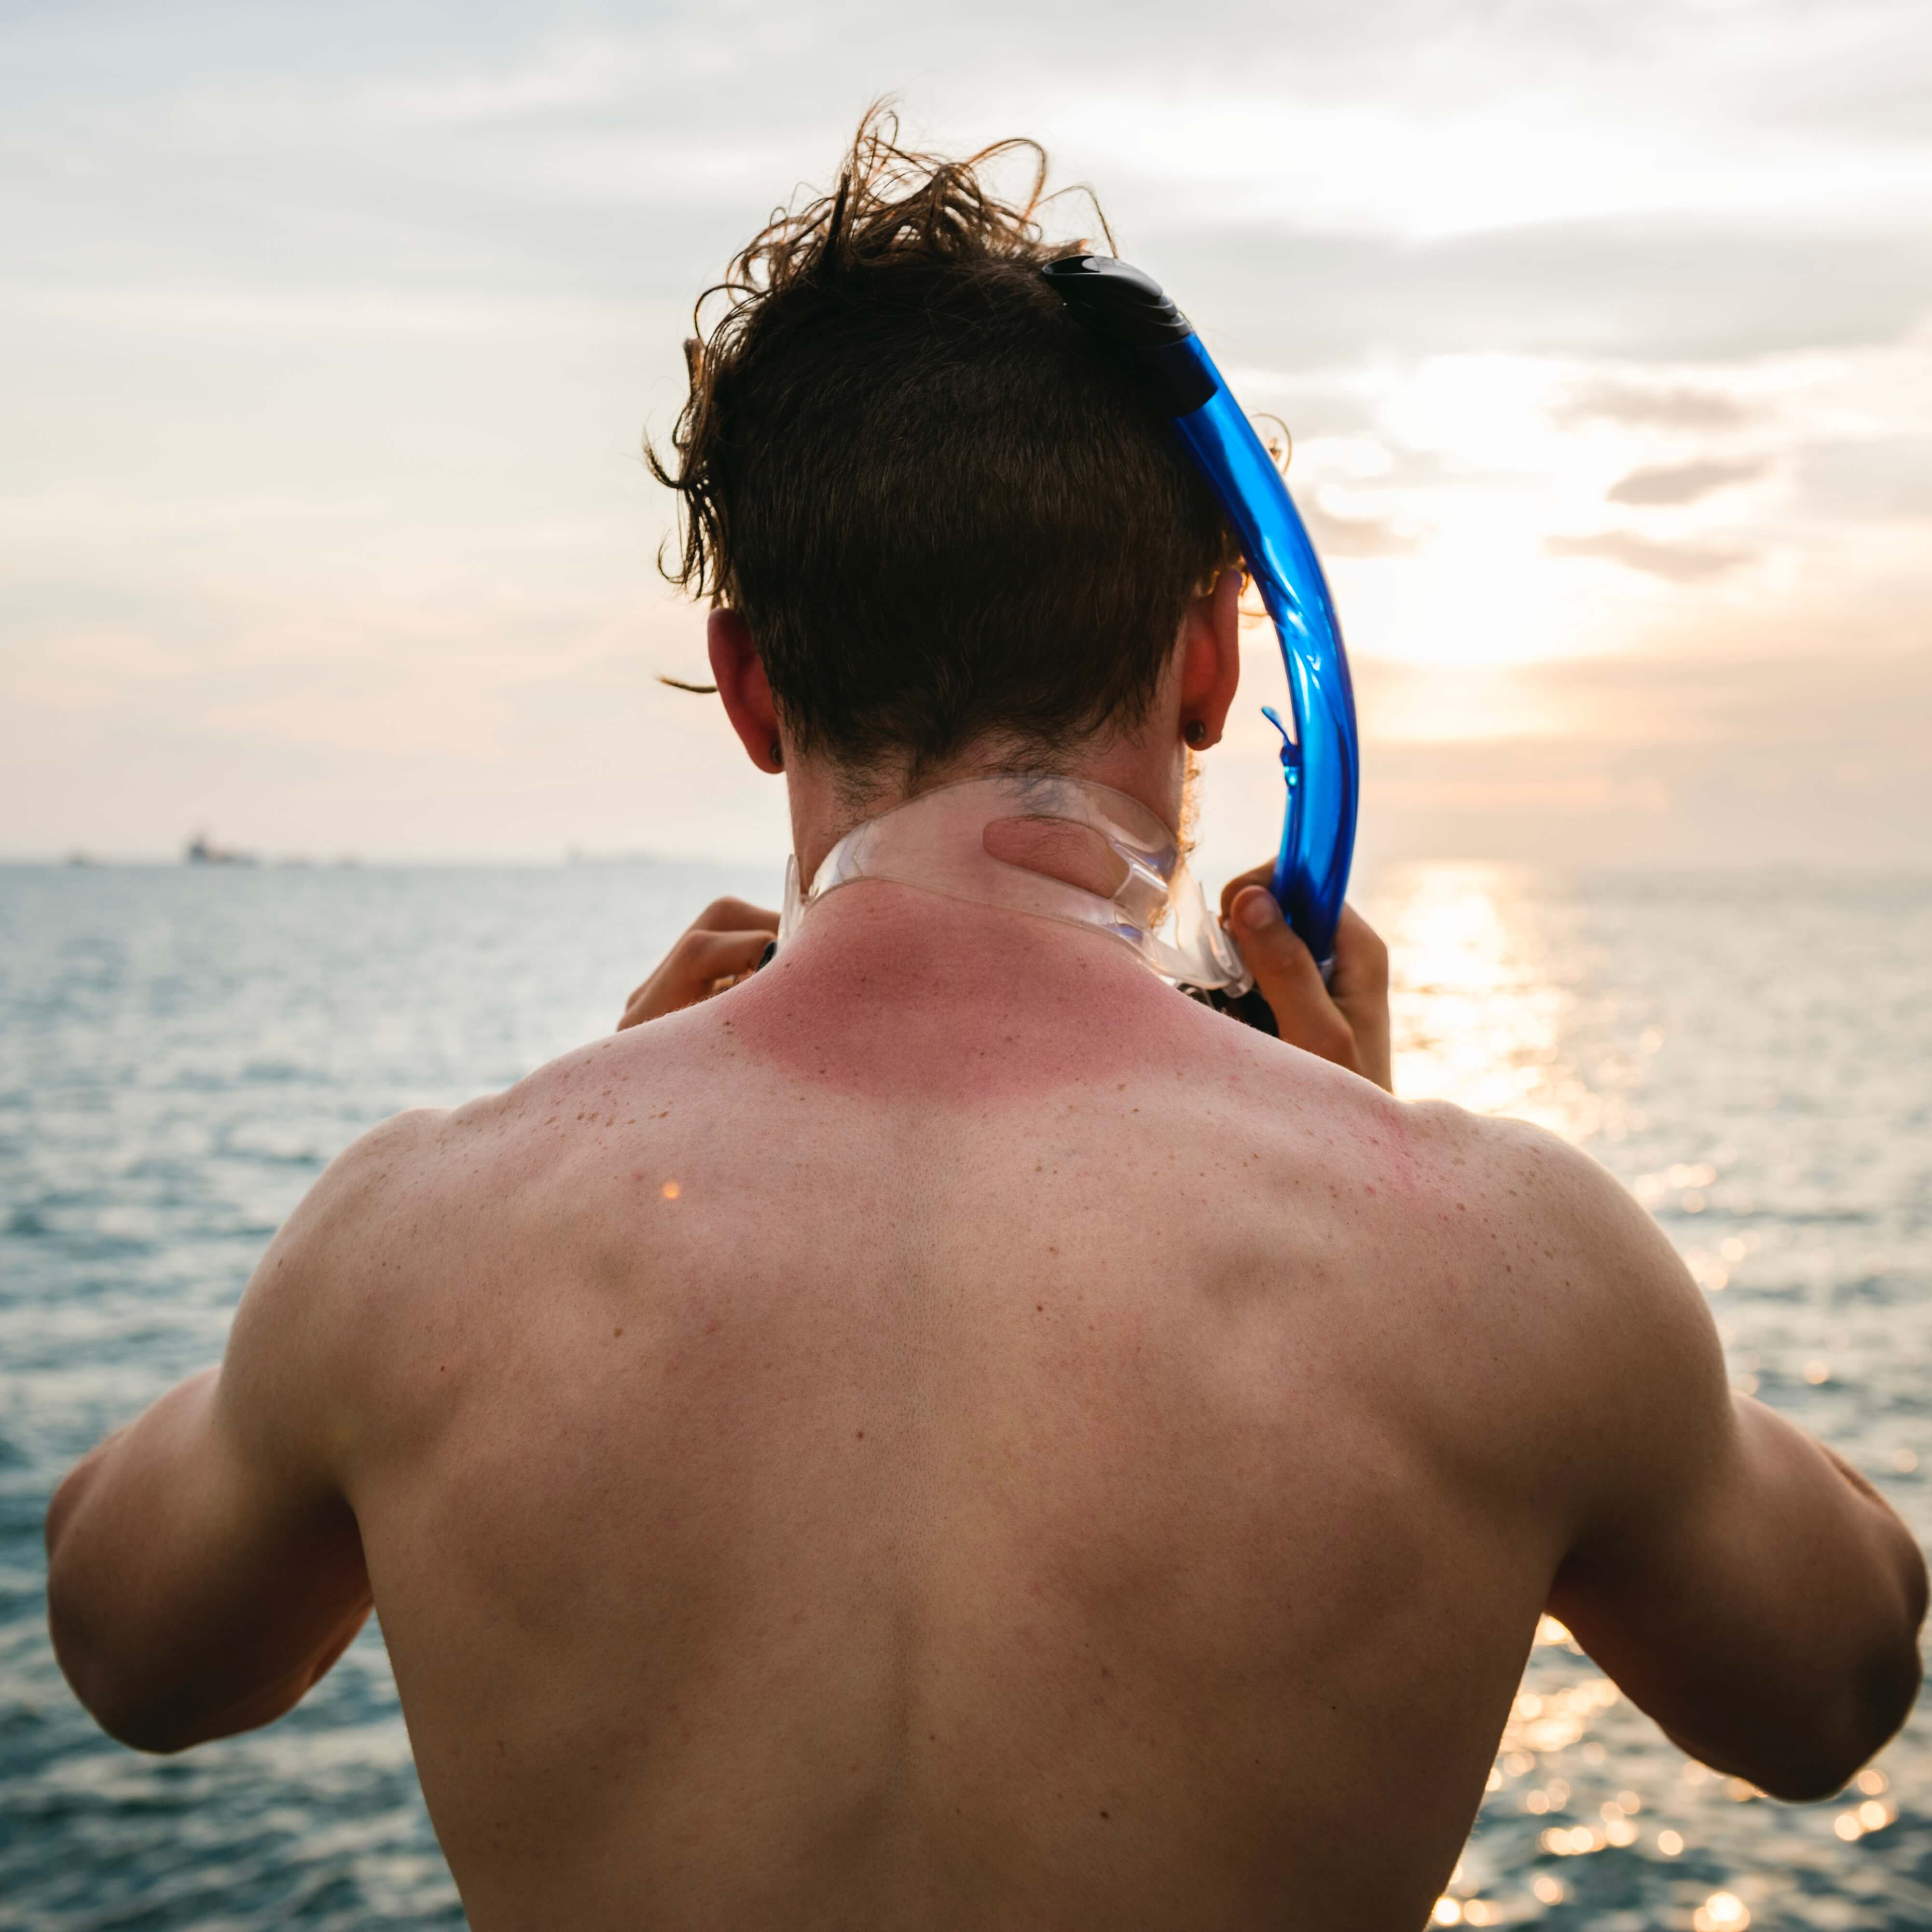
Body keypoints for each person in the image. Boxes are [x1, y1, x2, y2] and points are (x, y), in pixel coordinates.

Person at [47, 116, 1923, 1932]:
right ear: (1206, 661)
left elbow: (127, 1639)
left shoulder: (419, 1240)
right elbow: (1833, 1676)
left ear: (750, 682)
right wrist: (1384, 1157)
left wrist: (577, 1105)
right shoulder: (1496, 1261)